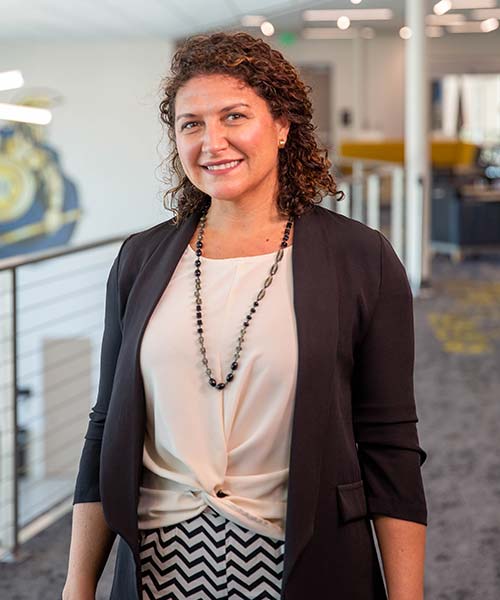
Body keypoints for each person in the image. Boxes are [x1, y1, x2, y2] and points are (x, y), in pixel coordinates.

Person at [63, 31, 428, 600]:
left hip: (304, 560)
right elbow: (106, 423)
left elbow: (389, 443)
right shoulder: (141, 258)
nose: (213, 141)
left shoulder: (359, 256)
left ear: (282, 126)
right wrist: (77, 583)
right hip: (160, 565)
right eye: (191, 124)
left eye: (234, 115)